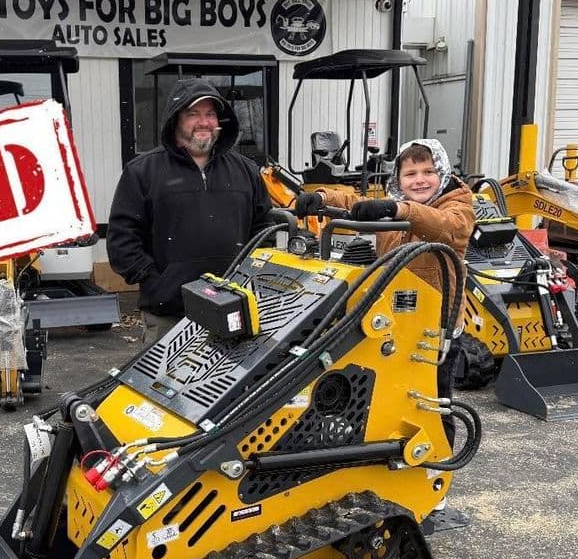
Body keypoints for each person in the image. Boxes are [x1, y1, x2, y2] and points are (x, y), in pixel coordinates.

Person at [300, 138, 476, 453]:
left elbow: (450, 228)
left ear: (443, 173)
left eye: (428, 171)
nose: (419, 179)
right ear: (398, 179)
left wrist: (398, 209)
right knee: (388, 398)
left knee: (432, 400)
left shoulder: (456, 206)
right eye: (410, 174)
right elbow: (353, 199)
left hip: (435, 329)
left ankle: (435, 472)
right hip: (395, 323)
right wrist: (320, 196)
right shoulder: (394, 203)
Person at [107, 78, 274, 344]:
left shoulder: (246, 171)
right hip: (170, 316)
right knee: (162, 384)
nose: (204, 122)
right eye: (193, 114)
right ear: (175, 119)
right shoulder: (142, 172)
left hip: (236, 310)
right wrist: (157, 282)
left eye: (210, 114)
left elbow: (265, 231)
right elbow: (122, 240)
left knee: (229, 385)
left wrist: (252, 281)